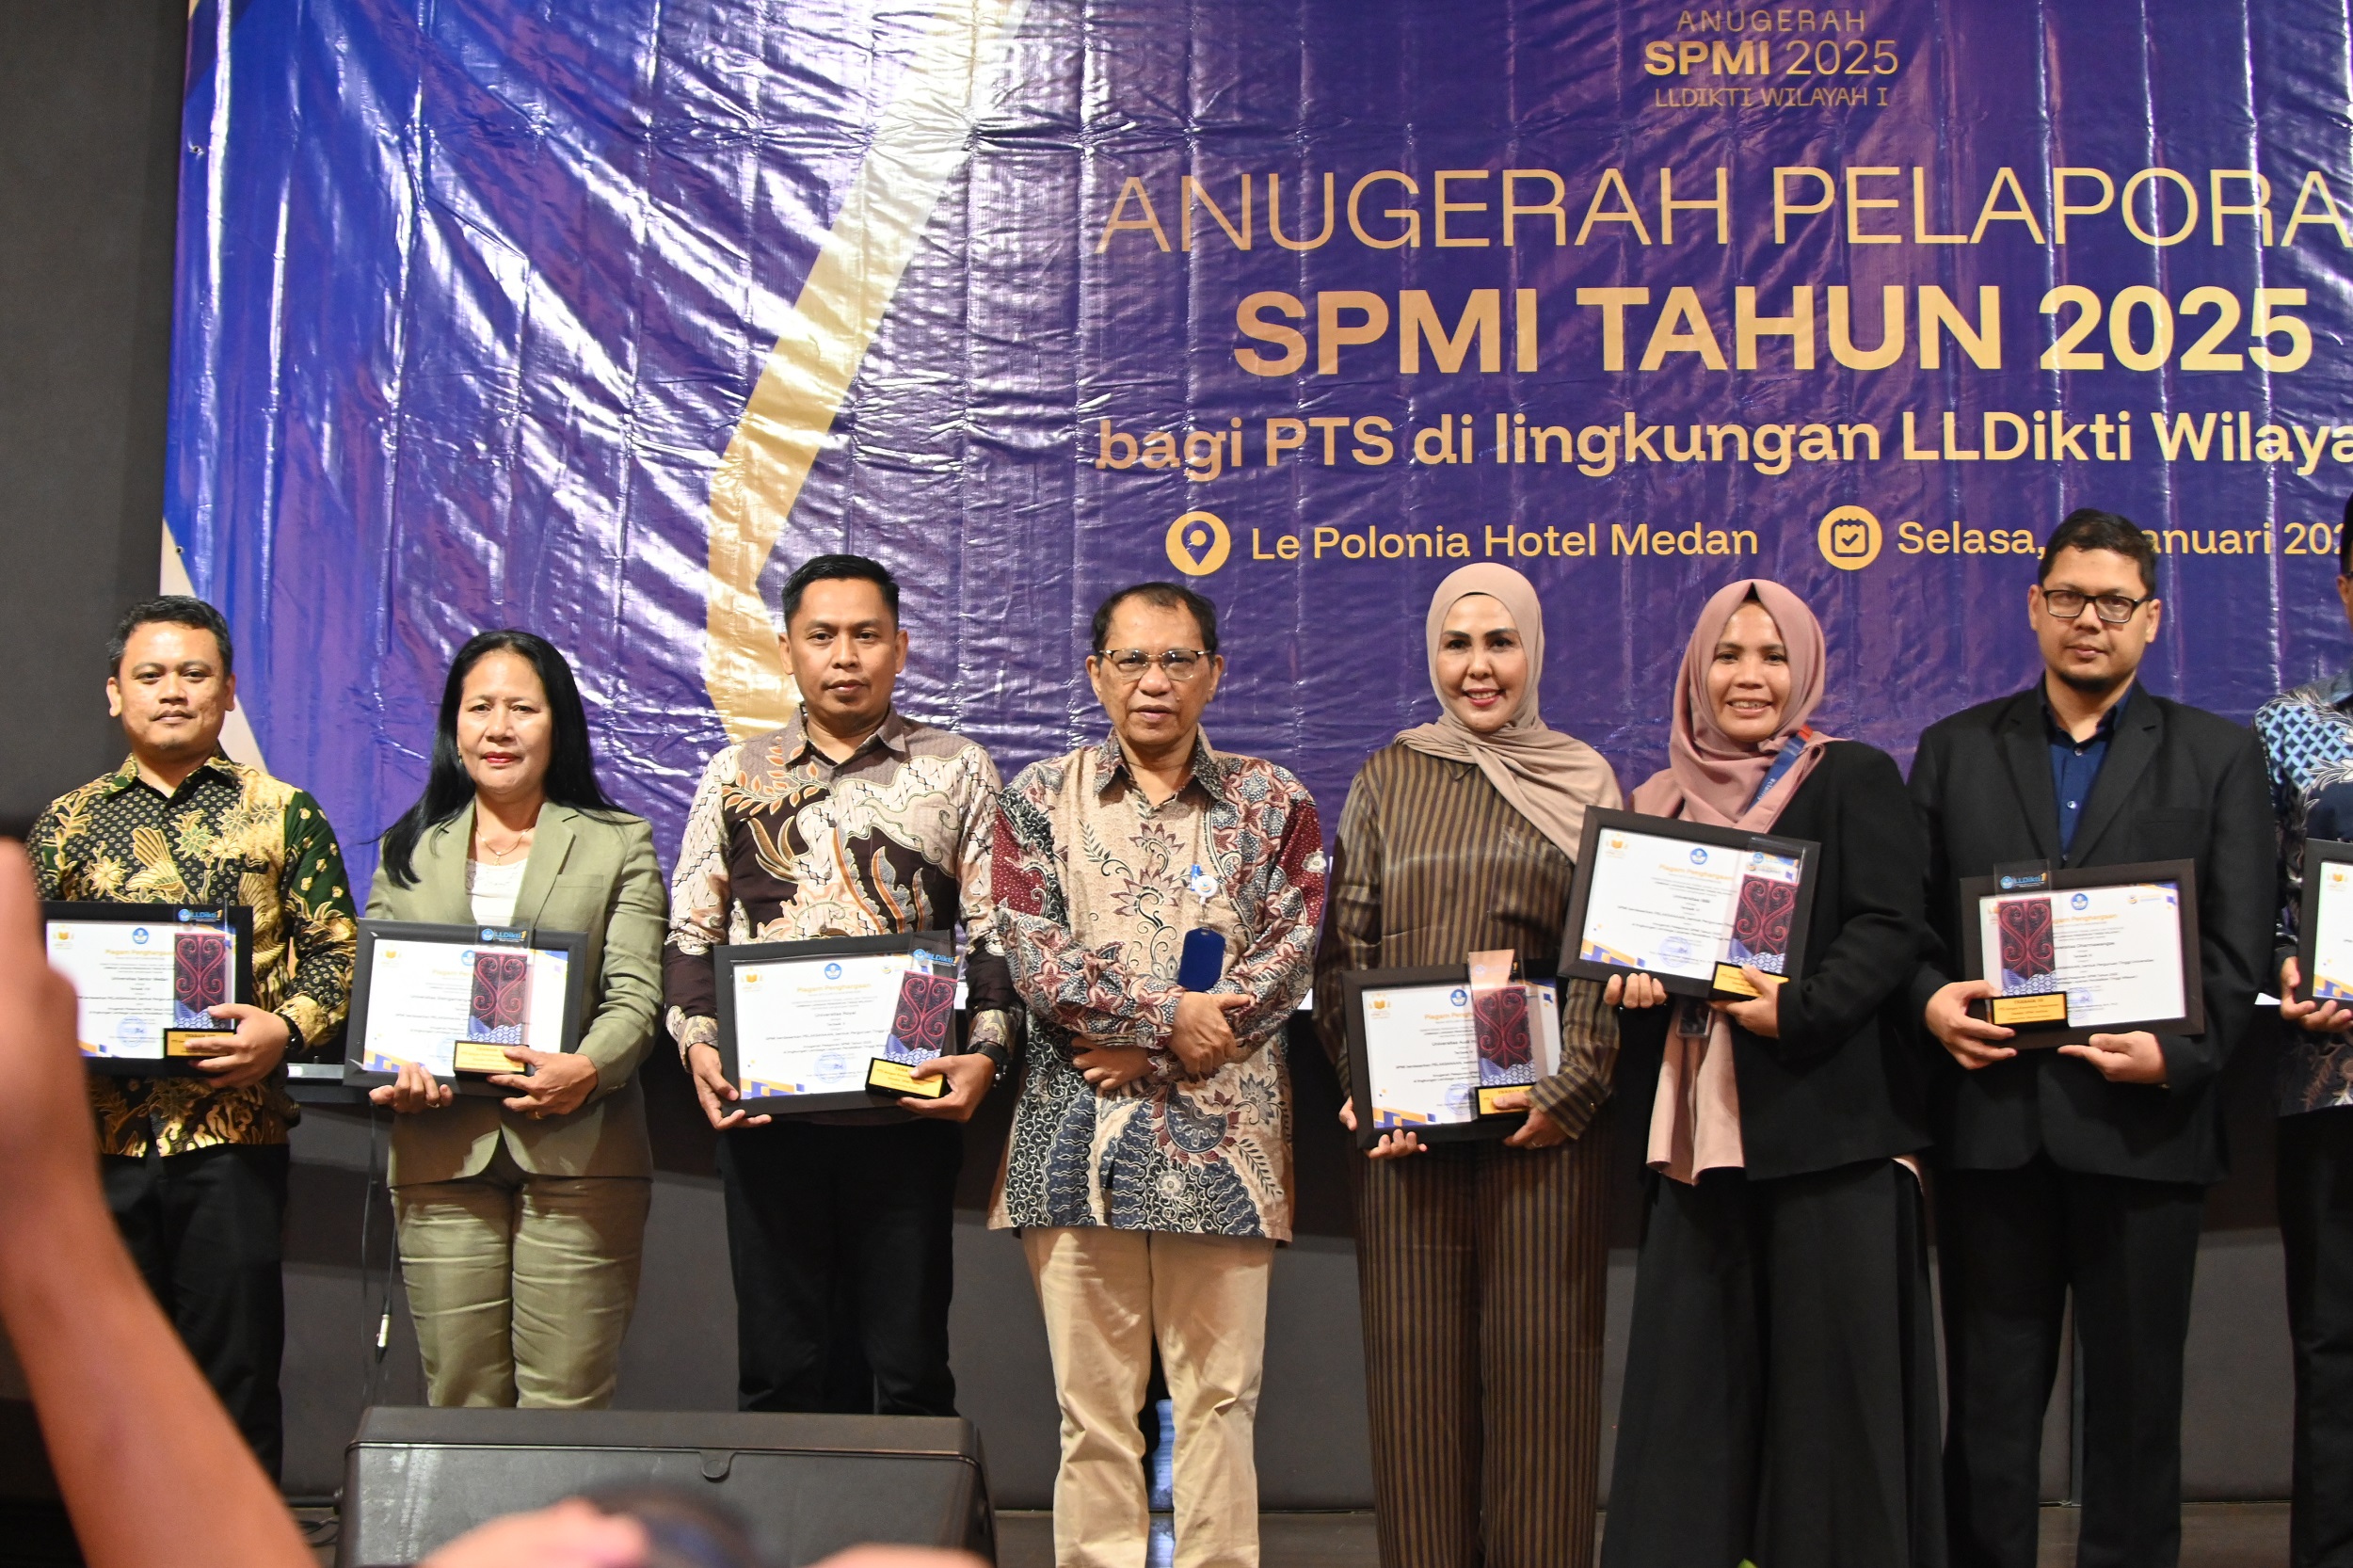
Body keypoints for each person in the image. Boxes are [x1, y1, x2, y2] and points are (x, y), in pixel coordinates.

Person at [1910, 509, 2271, 1568]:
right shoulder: (1953, 751)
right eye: (2068, 596)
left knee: (2137, 1412)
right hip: (1995, 1130)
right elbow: (1908, 927)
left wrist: (2178, 1055)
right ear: (2034, 606)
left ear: (2151, 618)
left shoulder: (2217, 757)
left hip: (2144, 1129)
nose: (2089, 620)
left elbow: (2238, 946)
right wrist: (1930, 1002)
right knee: (1988, 1412)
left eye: (2115, 602)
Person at [1599, 579, 1943, 1568]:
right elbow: (1631, 964)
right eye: (1727, 655)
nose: (1749, 677)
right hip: (1698, 1148)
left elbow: (1889, 924)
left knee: (1832, 1417)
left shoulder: (1850, 776)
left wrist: (1799, 1008)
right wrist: (1629, 987)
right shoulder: (1653, 808)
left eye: (1773, 656)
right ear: (1694, 670)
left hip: (1829, 1136)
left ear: (1805, 669)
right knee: (1694, 1409)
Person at [990, 582, 1325, 1568]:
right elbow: (1038, 964)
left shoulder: (1275, 802)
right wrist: (1172, 1017)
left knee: (1220, 1405)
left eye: (1177, 660)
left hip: (1227, 1147)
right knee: (1092, 1414)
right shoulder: (1034, 800)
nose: (1154, 681)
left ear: (1213, 673)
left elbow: (1289, 956)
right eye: (1131, 660)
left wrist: (1155, 1048)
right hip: (1073, 1141)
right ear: (1096, 673)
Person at [1310, 564, 1621, 1568]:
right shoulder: (1387, 776)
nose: (1478, 667)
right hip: (1407, 1137)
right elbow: (1342, 954)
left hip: (1545, 1132)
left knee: (1546, 1393)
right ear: (1432, 655)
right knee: (1415, 1403)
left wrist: (1569, 1091)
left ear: (1533, 652)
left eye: (1500, 643)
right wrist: (1365, 1087)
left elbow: (1601, 958)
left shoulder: (1582, 778)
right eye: (1457, 644)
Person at [664, 553, 1018, 1417]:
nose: (846, 656)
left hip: (906, 1110)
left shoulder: (957, 768)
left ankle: (907, 1513)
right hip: (767, 1117)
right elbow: (690, 936)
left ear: (902, 647)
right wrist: (698, 1045)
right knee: (780, 1370)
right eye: (822, 636)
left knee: (908, 1369)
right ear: (788, 648)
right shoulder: (735, 774)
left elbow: (997, 934)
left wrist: (987, 1054)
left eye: (867, 635)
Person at [26, 594, 357, 1479]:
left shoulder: (283, 811)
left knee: (235, 1378)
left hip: (233, 1138)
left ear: (229, 690)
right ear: (115, 693)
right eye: (150, 674)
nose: (172, 691)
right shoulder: (64, 823)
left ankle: (239, 1540)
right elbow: (25, 972)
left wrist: (284, 1030)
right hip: (96, 1145)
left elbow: (339, 955)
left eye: (193, 673)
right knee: (104, 1382)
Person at [365, 631, 666, 1408]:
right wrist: (390, 1067)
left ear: (557, 721)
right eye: (480, 708)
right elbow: (380, 1000)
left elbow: (636, 996)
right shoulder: (407, 849)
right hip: (440, 1151)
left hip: (580, 1154)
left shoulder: (618, 842)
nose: (499, 729)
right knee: (460, 1400)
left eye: (522, 709)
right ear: (454, 725)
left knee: (566, 1403)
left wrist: (587, 1069)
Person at [2253, 491, 2353, 1568]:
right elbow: (2254, 897)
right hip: (2330, 1079)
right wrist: (2282, 961)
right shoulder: (2287, 725)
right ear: (2343, 587)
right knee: (2332, 1340)